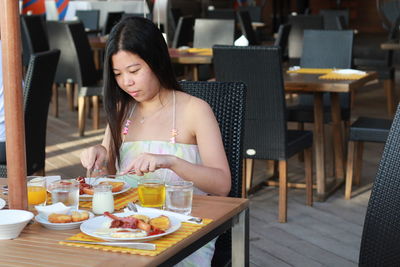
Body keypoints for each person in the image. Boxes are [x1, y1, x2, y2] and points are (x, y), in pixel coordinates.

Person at [80, 17, 231, 265]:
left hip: (183, 231)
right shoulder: (122, 111)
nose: (126, 82)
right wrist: (100, 156)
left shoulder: (195, 110)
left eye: (134, 71)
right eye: (118, 74)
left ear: (156, 61)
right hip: (126, 228)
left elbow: (222, 184)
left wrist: (171, 162)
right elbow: (108, 182)